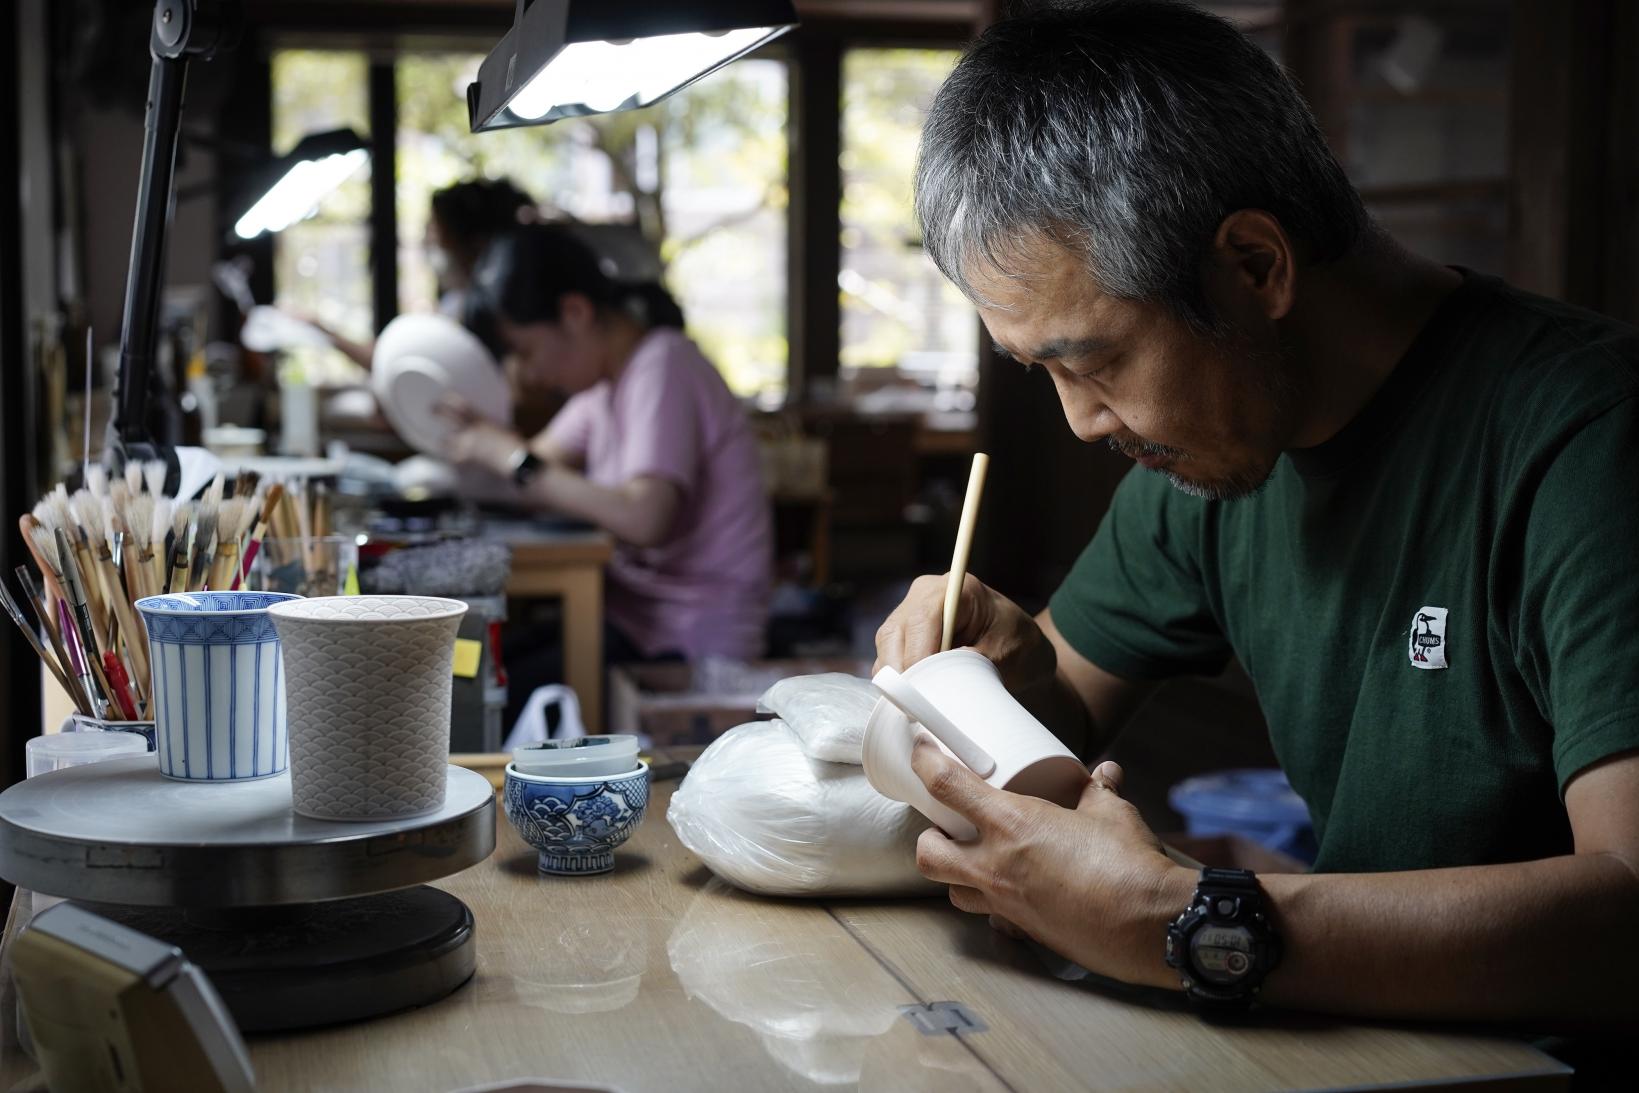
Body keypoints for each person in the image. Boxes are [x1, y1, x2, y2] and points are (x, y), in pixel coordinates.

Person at [873, 0, 1639, 1026]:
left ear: (1254, 267)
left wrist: (1179, 919)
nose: (1081, 422)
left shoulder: (1586, 440)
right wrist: (993, 681)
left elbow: (1627, 910)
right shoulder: (1209, 457)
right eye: (1037, 372)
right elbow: (1053, 735)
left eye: (1093, 360)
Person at [445, 223, 773, 682]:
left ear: (575, 312)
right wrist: (471, 439)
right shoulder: (601, 390)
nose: (530, 374)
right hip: (632, 619)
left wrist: (512, 458)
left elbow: (645, 518)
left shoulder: (663, 365)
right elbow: (526, 473)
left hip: (689, 640)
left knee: (489, 685)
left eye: (527, 350)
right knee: (474, 668)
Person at [308, 177, 536, 368]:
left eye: (436, 233)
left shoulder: (498, 315)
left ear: (474, 241)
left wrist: (318, 328)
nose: (428, 244)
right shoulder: (455, 304)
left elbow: (394, 362)